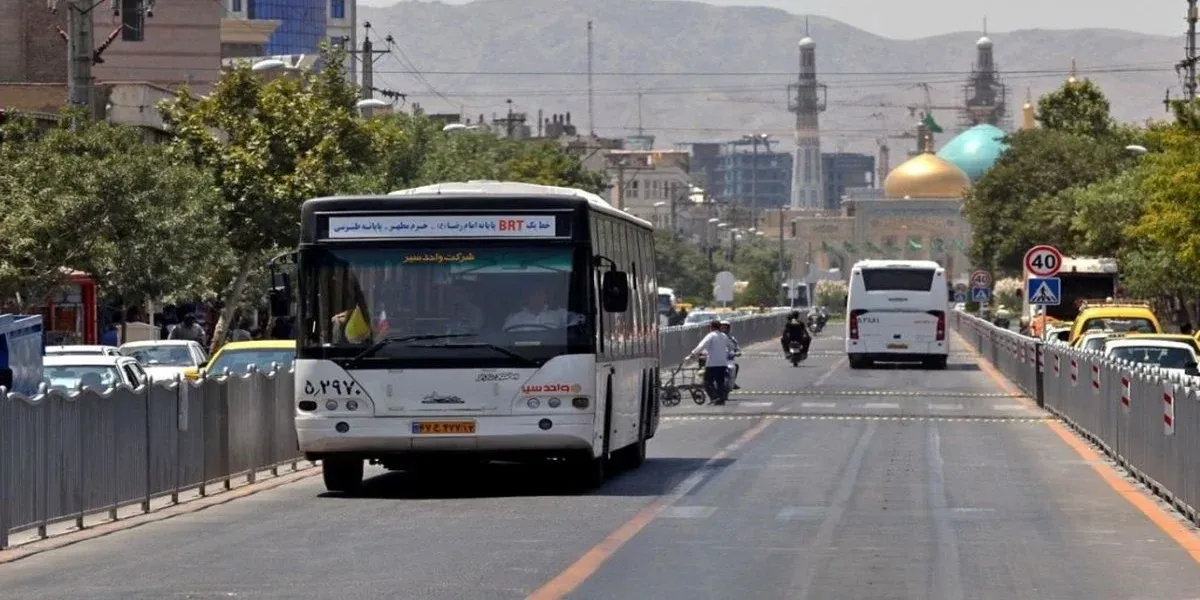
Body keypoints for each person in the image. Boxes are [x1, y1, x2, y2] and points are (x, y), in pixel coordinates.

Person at [686, 320, 735, 405]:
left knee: (707, 382)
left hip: (712, 363)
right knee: (720, 382)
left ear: (711, 327)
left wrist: (692, 354)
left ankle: (714, 397)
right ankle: (721, 399)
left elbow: (701, 346)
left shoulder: (711, 335)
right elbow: (731, 346)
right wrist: (728, 352)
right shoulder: (724, 336)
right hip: (722, 363)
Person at [503, 285, 580, 330]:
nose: (537, 297)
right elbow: (506, 337)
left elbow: (578, 319)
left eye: (540, 294)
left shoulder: (557, 313)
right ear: (527, 297)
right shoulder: (515, 317)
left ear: (546, 297)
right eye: (533, 294)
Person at [719, 320, 741, 390]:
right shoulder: (715, 337)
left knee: (736, 366)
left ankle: (732, 382)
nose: (724, 329)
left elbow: (737, 348)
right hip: (717, 359)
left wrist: (737, 352)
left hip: (728, 360)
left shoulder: (732, 339)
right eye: (722, 327)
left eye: (725, 327)